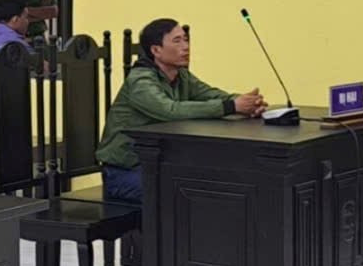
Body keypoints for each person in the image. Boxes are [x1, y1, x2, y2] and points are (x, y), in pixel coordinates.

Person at [95, 19, 266, 204]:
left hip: (160, 166)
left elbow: (211, 94)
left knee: (220, 182)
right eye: (177, 41)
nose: (186, 47)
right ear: (156, 50)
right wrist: (231, 106)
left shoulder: (181, 76)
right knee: (189, 194)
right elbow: (169, 110)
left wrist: (248, 103)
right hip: (124, 173)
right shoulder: (141, 81)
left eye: (186, 40)